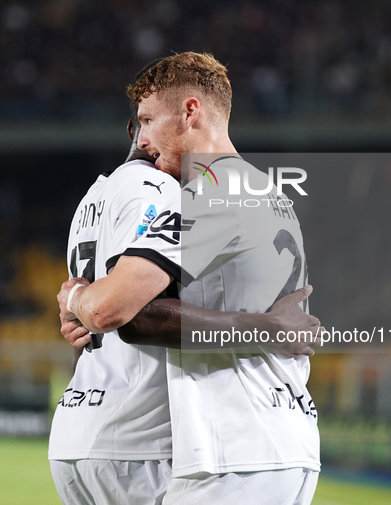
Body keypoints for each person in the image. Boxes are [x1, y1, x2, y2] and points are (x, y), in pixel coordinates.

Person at [50, 57, 321, 505]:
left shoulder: (210, 194)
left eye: (149, 121)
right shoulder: (266, 191)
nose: (144, 141)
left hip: (238, 448)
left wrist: (75, 296)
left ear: (190, 112)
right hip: (273, 434)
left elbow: (114, 310)